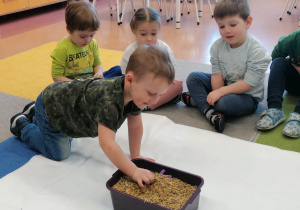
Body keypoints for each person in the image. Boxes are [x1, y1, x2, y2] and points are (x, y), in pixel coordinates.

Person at [9, 45, 175, 188]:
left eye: (160, 95)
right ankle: (23, 125)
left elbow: (135, 125)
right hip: (53, 109)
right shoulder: (110, 101)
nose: (154, 101)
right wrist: (133, 170)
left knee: (69, 139)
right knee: (59, 154)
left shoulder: (134, 94)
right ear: (130, 80)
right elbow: (107, 143)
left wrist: (136, 156)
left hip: (63, 100)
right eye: (152, 93)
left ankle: (34, 111)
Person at [181, 0, 271, 132]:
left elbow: (249, 83)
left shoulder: (257, 51)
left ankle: (199, 101)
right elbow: (217, 75)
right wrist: (217, 92)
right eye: (221, 26)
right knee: (193, 77)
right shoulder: (217, 46)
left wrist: (219, 93)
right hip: (226, 85)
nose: (227, 30)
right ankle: (210, 112)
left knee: (224, 103)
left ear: (248, 22)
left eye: (233, 24)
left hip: (247, 97)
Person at [120, 7, 183, 111]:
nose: (149, 38)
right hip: (140, 89)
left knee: (178, 85)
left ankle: (147, 105)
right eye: (143, 34)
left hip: (159, 88)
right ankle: (148, 102)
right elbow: (125, 77)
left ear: (159, 31)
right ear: (134, 31)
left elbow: (171, 75)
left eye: (153, 34)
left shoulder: (164, 48)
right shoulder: (130, 51)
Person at [51, 0, 122, 82]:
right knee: (50, 91)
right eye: (82, 36)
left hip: (91, 81)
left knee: (118, 69)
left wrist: (98, 73)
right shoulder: (62, 49)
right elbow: (57, 77)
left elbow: (97, 64)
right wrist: (76, 84)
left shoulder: (93, 43)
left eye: (92, 35)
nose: (88, 40)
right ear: (69, 30)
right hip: (71, 85)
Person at [256, 30, 300, 138]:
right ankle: (275, 108)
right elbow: (275, 59)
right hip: (294, 83)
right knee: (278, 62)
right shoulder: (291, 39)